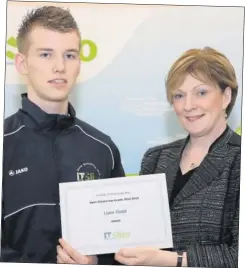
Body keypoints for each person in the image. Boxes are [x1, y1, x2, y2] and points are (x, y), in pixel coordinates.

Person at [57, 47, 240, 267]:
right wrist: (94, 260)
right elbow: (132, 243)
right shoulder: (156, 159)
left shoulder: (238, 159)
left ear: (226, 96)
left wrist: (172, 260)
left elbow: (238, 256)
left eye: (201, 92)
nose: (189, 105)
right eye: (179, 95)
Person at [1, 6, 124, 264]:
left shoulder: (103, 148)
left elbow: (121, 246)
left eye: (70, 55)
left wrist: (97, 263)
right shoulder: (5, 143)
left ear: (79, 63)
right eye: (46, 54)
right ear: (22, 63)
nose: (60, 67)